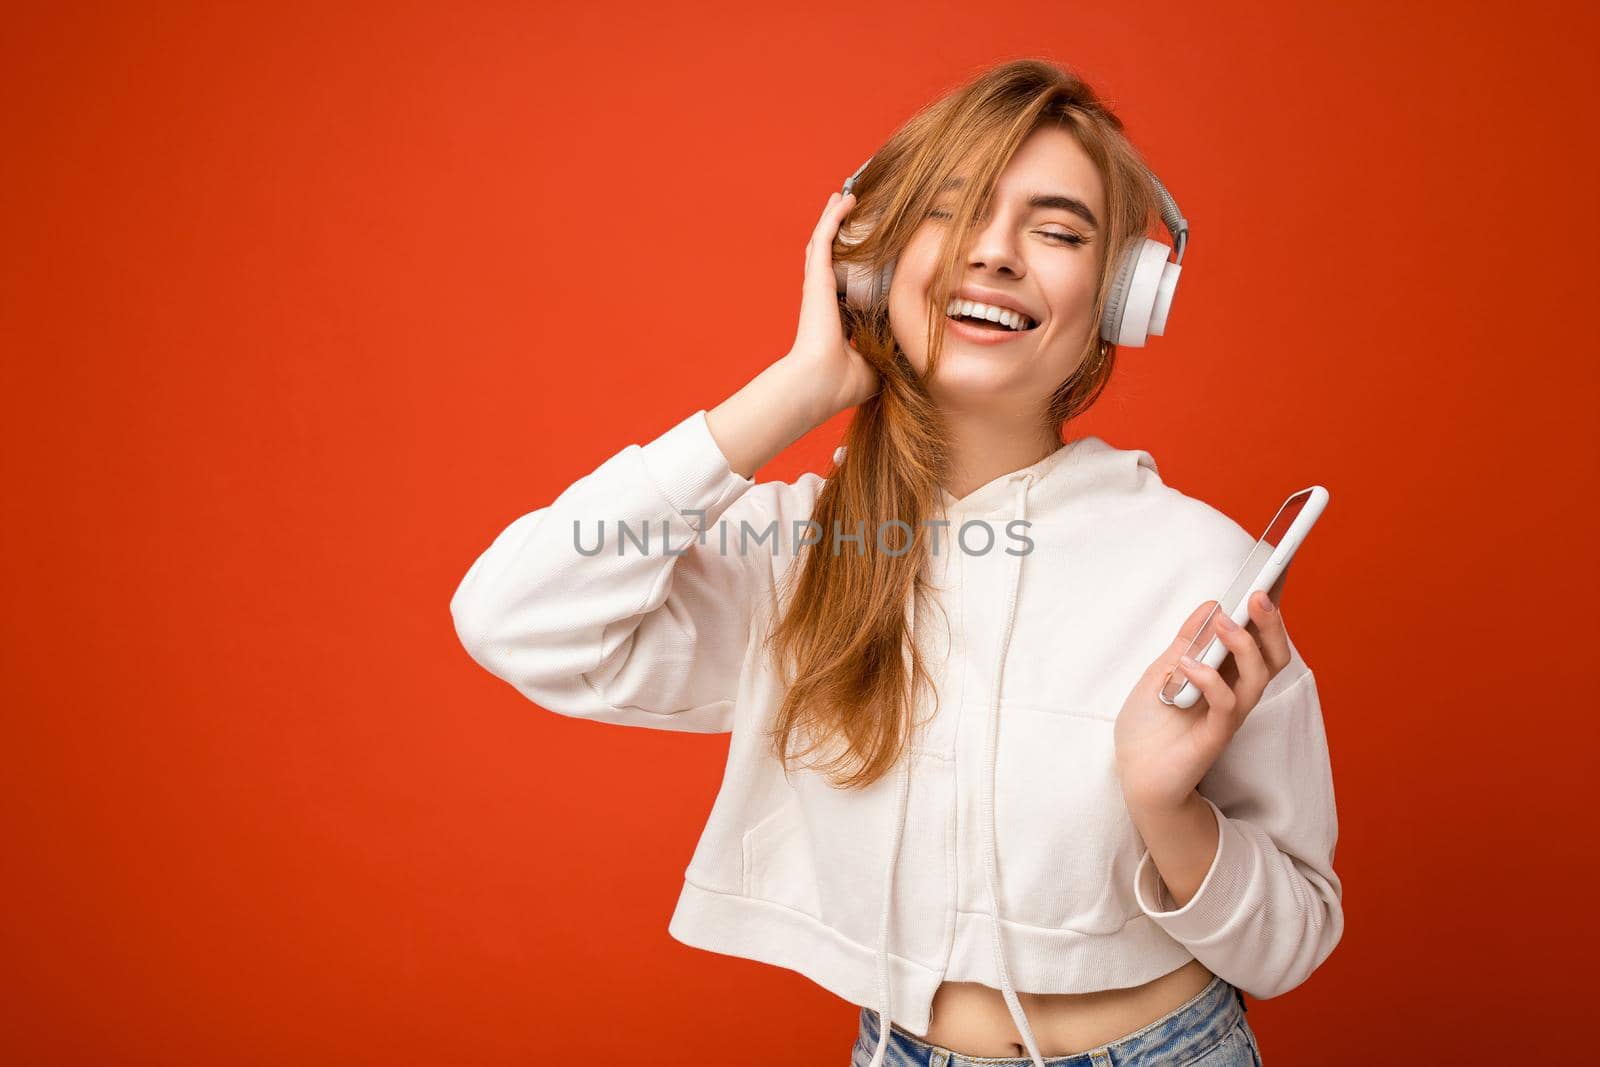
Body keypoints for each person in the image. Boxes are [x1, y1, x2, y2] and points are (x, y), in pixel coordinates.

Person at [450, 58, 1341, 1067]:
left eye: (1055, 232)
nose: (995, 255)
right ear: (865, 264)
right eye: (950, 214)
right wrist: (795, 387)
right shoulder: (797, 554)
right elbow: (511, 616)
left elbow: (1290, 940)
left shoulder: (1204, 568)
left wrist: (1165, 806)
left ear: (1121, 297)